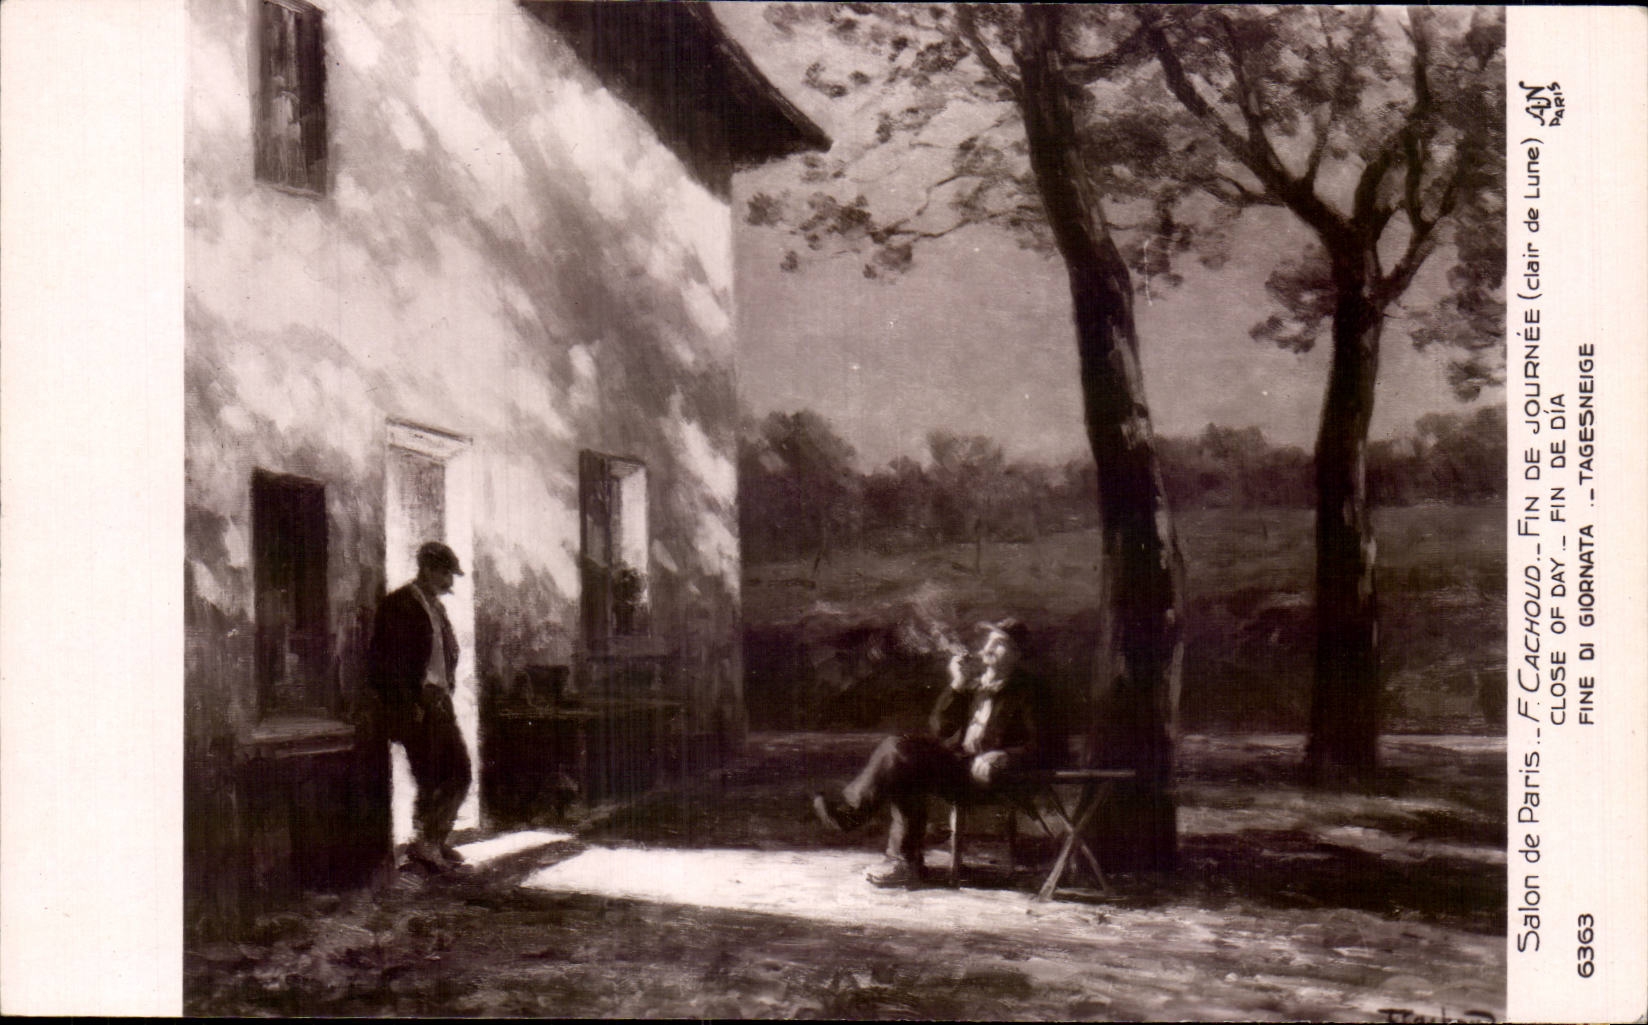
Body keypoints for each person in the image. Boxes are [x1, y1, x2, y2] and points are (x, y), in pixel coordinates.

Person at [812, 618, 1046, 888]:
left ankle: (858, 819)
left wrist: (1006, 755)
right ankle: (904, 863)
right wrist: (957, 686)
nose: (989, 648)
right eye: (989, 641)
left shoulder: (1032, 691)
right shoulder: (975, 683)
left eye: (1001, 643)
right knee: (901, 757)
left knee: (899, 754)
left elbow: (1047, 746)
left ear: (1018, 655)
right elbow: (941, 729)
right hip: (960, 769)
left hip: (996, 778)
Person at [368, 541, 471, 874]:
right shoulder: (399, 605)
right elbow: (386, 664)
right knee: (434, 773)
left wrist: (445, 687)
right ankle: (426, 845)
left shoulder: (435, 607)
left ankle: (433, 841)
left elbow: (444, 652)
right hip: (416, 703)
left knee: (457, 771)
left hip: (438, 700)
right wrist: (410, 702)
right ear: (427, 569)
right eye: (445, 574)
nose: (449, 583)